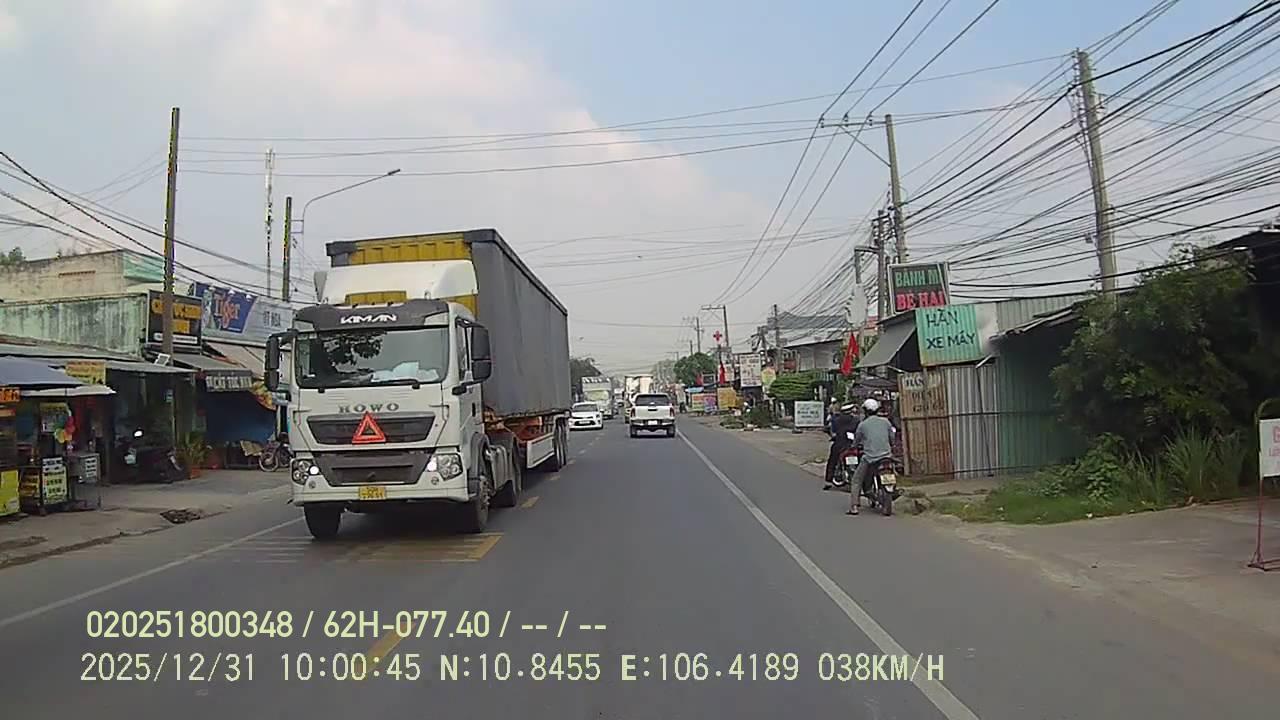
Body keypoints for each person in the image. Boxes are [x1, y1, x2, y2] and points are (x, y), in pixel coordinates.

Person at [848, 397, 896, 515]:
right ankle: (892, 490)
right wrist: (891, 445)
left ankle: (854, 506)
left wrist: (853, 447)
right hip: (886, 456)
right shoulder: (886, 422)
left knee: (856, 480)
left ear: (865, 411)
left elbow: (856, 440)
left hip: (870, 457)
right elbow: (892, 438)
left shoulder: (862, 425)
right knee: (893, 471)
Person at [822, 402, 858, 490]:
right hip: (853, 445)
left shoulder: (836, 419)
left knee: (832, 461)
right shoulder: (856, 420)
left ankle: (828, 481)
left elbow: (831, 430)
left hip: (839, 444)